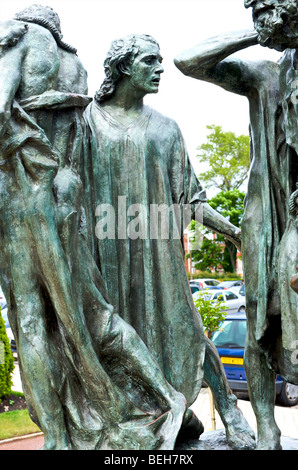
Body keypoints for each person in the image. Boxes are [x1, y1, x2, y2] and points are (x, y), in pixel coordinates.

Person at [0, 5, 189, 450]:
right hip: (62, 198)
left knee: (31, 320)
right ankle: (163, 397)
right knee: (92, 312)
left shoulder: (21, 37)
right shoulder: (75, 64)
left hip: (23, 192)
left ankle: (60, 439)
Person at [82, 33, 255, 449]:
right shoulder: (84, 122)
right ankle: (156, 417)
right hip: (104, 255)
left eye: (161, 60)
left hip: (158, 253)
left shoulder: (166, 129)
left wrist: (233, 232)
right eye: (150, 61)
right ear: (123, 67)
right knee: (115, 344)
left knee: (190, 332)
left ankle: (230, 410)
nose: (160, 69)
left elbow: (191, 199)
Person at [174, 0, 298, 450]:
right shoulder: (264, 74)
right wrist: (256, 35)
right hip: (267, 211)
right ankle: (266, 425)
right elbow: (188, 61)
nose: (275, 17)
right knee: (259, 321)